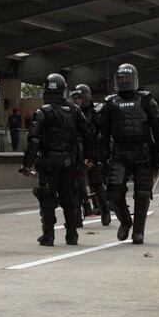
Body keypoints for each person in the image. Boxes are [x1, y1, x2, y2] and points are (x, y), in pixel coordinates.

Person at [21, 74, 94, 246]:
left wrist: (27, 164)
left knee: (47, 198)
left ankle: (49, 235)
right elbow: (89, 135)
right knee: (69, 198)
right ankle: (72, 234)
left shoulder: (43, 113)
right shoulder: (75, 111)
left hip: (48, 162)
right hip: (70, 162)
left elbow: (34, 141)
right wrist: (90, 158)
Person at [97, 64, 159, 244]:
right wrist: (101, 155)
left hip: (142, 151)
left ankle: (139, 231)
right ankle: (126, 221)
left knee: (143, 193)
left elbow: (158, 130)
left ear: (134, 79)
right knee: (113, 191)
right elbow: (103, 133)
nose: (124, 81)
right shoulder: (111, 103)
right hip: (119, 151)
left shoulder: (146, 101)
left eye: (127, 78)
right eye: (121, 79)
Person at [71, 84, 111, 226]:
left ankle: (105, 210)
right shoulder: (72, 113)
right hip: (77, 154)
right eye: (75, 98)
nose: (77, 101)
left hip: (92, 153)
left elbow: (100, 137)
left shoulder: (96, 113)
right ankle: (78, 215)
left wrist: (94, 157)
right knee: (76, 185)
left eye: (79, 98)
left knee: (97, 184)